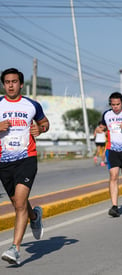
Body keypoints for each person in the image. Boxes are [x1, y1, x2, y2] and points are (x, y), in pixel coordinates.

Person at [0, 68, 49, 265]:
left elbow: (45, 123)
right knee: (17, 202)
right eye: (7, 82)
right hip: (3, 161)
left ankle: (15, 249)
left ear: (21, 84)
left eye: (14, 81)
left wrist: (40, 129)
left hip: (26, 158)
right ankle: (34, 216)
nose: (11, 85)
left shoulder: (31, 105)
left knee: (20, 202)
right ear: (4, 84)